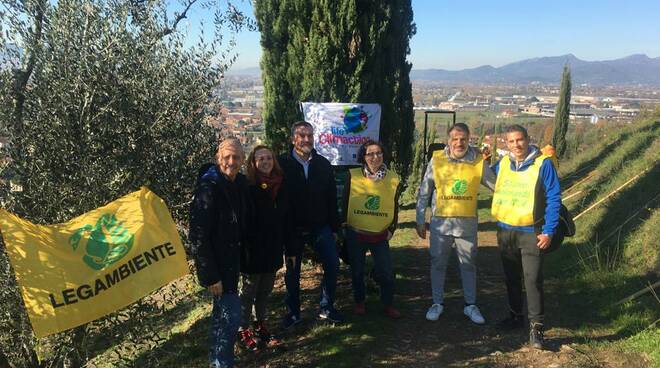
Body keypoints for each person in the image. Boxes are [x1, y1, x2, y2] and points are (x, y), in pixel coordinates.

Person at [416, 123, 495, 325]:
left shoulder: (478, 161)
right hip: (440, 224)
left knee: (468, 265)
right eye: (455, 139)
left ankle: (470, 305)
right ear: (448, 140)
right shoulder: (437, 159)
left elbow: (498, 186)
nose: (459, 143)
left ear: (469, 140)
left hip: (466, 225)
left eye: (463, 139)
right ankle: (437, 303)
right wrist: (419, 219)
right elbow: (425, 191)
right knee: (437, 263)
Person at [491, 124, 561, 350]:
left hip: (532, 232)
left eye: (519, 140)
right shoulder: (503, 163)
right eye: (511, 141)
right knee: (511, 277)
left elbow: (554, 197)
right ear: (506, 143)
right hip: (506, 230)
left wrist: (549, 230)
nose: (516, 145)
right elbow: (482, 176)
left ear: (528, 139)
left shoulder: (543, 163)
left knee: (532, 280)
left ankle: (536, 328)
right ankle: (514, 316)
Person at [189, 137, 251, 368]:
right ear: (218, 158)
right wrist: (210, 275)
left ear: (243, 160)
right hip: (219, 268)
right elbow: (197, 235)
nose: (231, 161)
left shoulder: (238, 185)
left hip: (232, 263)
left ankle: (218, 362)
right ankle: (222, 363)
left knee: (222, 318)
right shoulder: (209, 189)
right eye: (227, 157)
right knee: (230, 318)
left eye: (236, 157)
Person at [279, 121, 344, 327]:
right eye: (301, 135)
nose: (306, 139)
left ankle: (326, 307)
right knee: (292, 273)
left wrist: (334, 228)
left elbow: (331, 198)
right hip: (293, 229)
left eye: (309, 135)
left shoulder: (323, 164)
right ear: (293, 139)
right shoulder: (281, 164)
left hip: (320, 226)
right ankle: (293, 312)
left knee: (333, 264)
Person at [341, 140, 402, 319]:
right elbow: (345, 201)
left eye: (378, 153)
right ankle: (360, 302)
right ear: (363, 156)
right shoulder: (353, 176)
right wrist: (344, 224)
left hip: (380, 234)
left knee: (386, 272)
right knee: (357, 271)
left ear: (383, 155)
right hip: (356, 233)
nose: (375, 157)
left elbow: (394, 206)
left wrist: (392, 228)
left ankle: (388, 304)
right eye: (370, 154)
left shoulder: (393, 178)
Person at [237, 145, 288, 352]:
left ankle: (261, 325)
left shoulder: (280, 184)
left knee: (265, 292)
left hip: (273, 248)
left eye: (268, 158)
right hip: (253, 250)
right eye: (260, 159)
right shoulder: (248, 187)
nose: (265, 162)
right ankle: (243, 330)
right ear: (253, 163)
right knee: (249, 292)